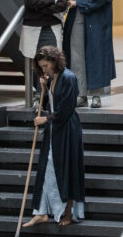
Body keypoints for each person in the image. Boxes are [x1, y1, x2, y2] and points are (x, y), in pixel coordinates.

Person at [24, 46, 85, 227]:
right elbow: (48, 102)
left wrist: (46, 119)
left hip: (67, 129)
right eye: (42, 66)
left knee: (66, 168)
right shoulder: (51, 78)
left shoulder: (68, 77)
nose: (45, 69)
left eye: (46, 65)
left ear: (54, 61)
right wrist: (43, 87)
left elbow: (67, 108)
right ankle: (41, 211)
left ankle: (67, 211)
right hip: (54, 129)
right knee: (47, 168)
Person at [64, 0, 116, 109]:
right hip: (77, 15)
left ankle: (96, 95)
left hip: (95, 16)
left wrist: (78, 3)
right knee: (76, 53)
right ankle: (80, 93)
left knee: (96, 54)